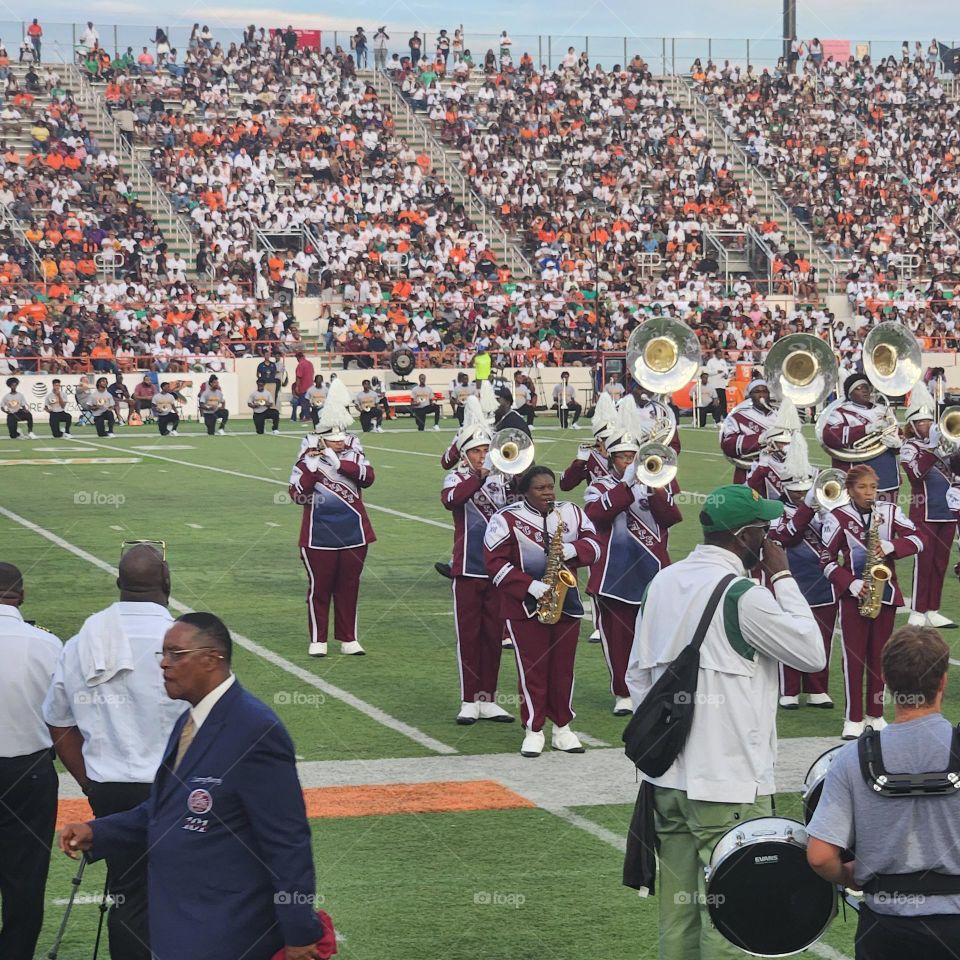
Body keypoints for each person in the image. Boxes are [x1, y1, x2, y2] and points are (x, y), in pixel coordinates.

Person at [625, 485, 825, 958]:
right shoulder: (743, 595)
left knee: (677, 913)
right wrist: (783, 578)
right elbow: (812, 653)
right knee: (735, 914)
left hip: (665, 778)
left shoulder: (662, 583)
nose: (769, 539)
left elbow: (636, 675)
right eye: (763, 530)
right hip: (727, 781)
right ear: (744, 536)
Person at [58, 612, 326, 960]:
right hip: (181, 926)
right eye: (163, 654)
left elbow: (287, 839)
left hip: (229, 932)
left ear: (211, 658)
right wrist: (98, 831)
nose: (164, 664)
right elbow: (165, 809)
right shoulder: (190, 720)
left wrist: (300, 931)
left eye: (176, 654)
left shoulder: (254, 730)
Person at [44, 544, 181, 960]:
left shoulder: (82, 640)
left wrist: (90, 782)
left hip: (109, 788)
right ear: (166, 580)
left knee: (127, 894)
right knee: (181, 889)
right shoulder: (186, 640)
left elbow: (58, 722)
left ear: (119, 582)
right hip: (174, 787)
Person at [807, 626, 960, 959]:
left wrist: (850, 877)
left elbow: (819, 855)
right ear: (943, 682)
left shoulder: (851, 758)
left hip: (885, 929)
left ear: (887, 683)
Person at [484, 465, 601, 757]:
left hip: (566, 603)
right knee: (532, 671)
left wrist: (574, 550)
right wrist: (530, 586)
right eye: (540, 488)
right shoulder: (506, 518)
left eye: (550, 487)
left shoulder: (571, 512)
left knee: (563, 670)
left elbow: (596, 545)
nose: (548, 493)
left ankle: (562, 728)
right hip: (524, 607)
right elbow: (494, 563)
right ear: (525, 492)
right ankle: (534, 730)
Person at [821, 464, 923, 739]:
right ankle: (853, 718)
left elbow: (919, 538)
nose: (869, 493)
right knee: (854, 658)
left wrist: (893, 546)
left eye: (873, 487)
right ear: (850, 490)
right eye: (862, 487)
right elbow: (826, 561)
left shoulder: (889, 512)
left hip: (884, 594)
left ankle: (876, 714)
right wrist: (850, 583)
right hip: (853, 596)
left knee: (880, 656)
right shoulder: (837, 517)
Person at [585, 430, 681, 715]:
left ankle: (654, 688)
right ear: (611, 459)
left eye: (633, 457)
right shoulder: (599, 486)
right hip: (615, 574)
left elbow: (671, 518)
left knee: (657, 636)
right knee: (618, 638)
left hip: (653, 570)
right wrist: (626, 486)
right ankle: (623, 692)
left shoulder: (658, 482)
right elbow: (595, 516)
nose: (629, 462)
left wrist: (653, 489)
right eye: (623, 457)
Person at [0, 563, 61, 960]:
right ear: (20, 596)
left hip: (30, 768)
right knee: (25, 880)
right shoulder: (48, 644)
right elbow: (66, 717)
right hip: (30, 772)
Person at [289, 381, 375, 656]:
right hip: (318, 535)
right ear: (321, 438)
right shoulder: (306, 461)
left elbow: (368, 478)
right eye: (333, 439)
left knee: (349, 587)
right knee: (320, 589)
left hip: (354, 533)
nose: (339, 442)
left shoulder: (354, 455)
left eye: (340, 438)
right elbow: (297, 494)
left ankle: (349, 638)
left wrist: (339, 463)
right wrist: (313, 469)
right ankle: (318, 639)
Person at [441, 424, 514, 724]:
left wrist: (514, 475)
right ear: (465, 455)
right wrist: (479, 477)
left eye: (486, 450)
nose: (483, 455)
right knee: (469, 636)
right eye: (476, 451)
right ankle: (469, 699)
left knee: (493, 637)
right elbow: (451, 500)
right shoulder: (456, 477)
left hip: (499, 570)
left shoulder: (503, 479)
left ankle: (488, 699)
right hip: (468, 568)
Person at [768, 435, 836, 709]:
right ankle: (790, 689)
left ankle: (818, 688)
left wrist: (828, 515)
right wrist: (807, 509)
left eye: (805, 491)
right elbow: (785, 536)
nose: (800, 495)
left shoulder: (827, 507)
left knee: (823, 635)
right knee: (790, 634)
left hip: (824, 580)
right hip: (791, 580)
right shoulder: (776, 509)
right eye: (796, 491)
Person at [900, 383, 957, 628]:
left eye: (928, 421)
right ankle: (917, 610)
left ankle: (933, 609)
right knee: (923, 562)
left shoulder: (945, 442)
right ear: (912, 425)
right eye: (920, 422)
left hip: (948, 512)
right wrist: (932, 450)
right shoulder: (909, 447)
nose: (926, 425)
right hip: (924, 511)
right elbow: (915, 475)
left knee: (940, 563)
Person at [822, 374, 902, 501]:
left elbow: (899, 434)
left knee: (888, 512)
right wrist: (865, 429)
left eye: (866, 387)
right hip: (858, 477)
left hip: (888, 477)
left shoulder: (884, 410)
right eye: (858, 388)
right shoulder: (840, 412)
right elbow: (829, 436)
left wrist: (898, 444)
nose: (864, 390)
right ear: (849, 394)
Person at [720, 379, 778, 483]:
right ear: (750, 395)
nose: (761, 395)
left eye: (764, 391)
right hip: (748, 472)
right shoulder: (738, 416)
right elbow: (728, 444)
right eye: (757, 392)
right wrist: (759, 439)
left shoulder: (778, 415)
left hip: (777, 470)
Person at [290, 350, 315, 422]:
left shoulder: (300, 364)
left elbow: (299, 376)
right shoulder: (310, 363)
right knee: (308, 403)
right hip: (311, 386)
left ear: (298, 357)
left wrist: (297, 386)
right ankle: (306, 416)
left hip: (303, 387)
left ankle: (307, 417)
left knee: (304, 403)